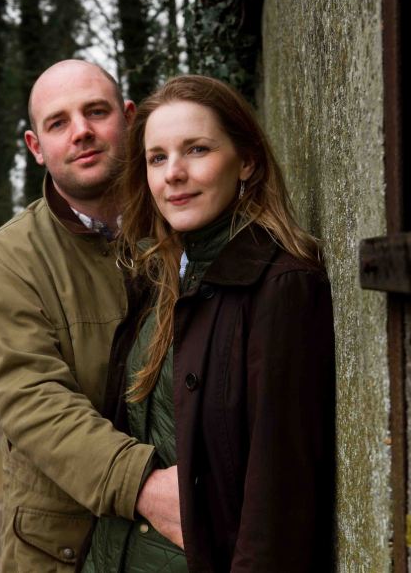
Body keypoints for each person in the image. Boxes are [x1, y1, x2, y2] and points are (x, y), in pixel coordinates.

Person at [81, 75, 336, 572]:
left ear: (247, 160)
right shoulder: (159, 279)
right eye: (157, 158)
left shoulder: (282, 288)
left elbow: (279, 502)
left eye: (196, 149)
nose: (173, 174)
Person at [0, 59, 181, 573]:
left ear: (129, 119)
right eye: (58, 122)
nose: (81, 131)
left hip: (186, 536)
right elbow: (31, 400)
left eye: (96, 112)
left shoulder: (187, 219)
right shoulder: (6, 261)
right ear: (36, 146)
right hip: (63, 547)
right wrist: (144, 486)